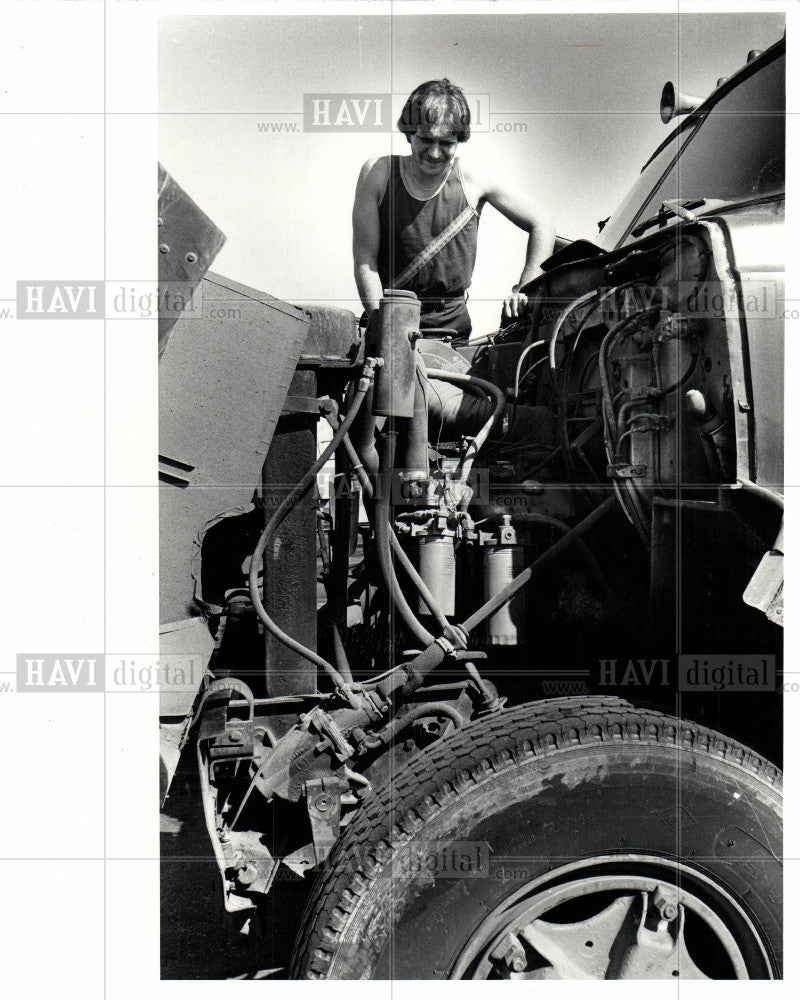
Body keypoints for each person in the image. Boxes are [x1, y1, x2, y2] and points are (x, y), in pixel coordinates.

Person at [352, 78, 555, 342]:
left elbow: (542, 222)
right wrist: (384, 325)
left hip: (450, 332)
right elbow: (365, 260)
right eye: (425, 139)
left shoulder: (474, 178)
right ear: (409, 133)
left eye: (446, 143)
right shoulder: (378, 174)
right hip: (389, 321)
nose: (435, 153)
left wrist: (526, 289)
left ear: (459, 139)